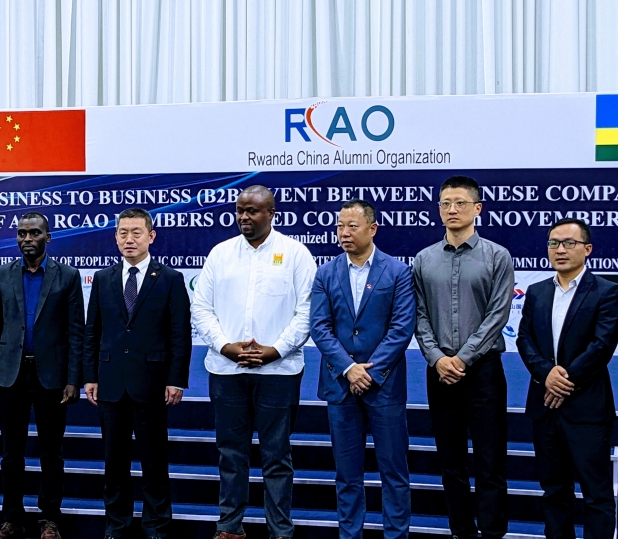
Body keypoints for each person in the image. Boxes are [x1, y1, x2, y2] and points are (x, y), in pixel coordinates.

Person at [190, 186, 316, 539]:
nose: (244, 217)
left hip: (279, 371)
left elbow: (307, 312)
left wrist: (275, 350)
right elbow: (201, 308)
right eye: (240, 210)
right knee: (231, 454)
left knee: (277, 456)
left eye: (253, 211)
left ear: (271, 212)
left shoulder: (295, 254)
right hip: (227, 370)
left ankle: (280, 530)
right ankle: (230, 526)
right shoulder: (220, 254)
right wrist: (225, 346)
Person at [412, 176, 514, 539]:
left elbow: (498, 314)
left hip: (483, 371)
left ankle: (492, 533)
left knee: (490, 461)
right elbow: (419, 315)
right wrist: (437, 358)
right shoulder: (423, 259)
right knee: (451, 461)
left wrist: (464, 358)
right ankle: (461, 532)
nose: (451, 210)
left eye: (459, 203)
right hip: (439, 373)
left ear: (477, 209)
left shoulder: (497, 255)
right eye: (444, 203)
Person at [309, 200, 415, 539]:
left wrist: (369, 371)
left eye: (352, 226)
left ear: (372, 229)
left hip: (384, 386)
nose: (343, 233)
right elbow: (320, 327)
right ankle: (349, 534)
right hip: (340, 388)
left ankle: (396, 535)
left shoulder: (398, 272)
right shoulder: (325, 273)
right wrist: (348, 369)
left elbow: (402, 328)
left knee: (394, 473)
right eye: (340, 226)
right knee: (347, 475)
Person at [83, 207, 192, 539]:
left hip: (153, 383)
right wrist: (91, 375)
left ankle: (156, 524)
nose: (129, 239)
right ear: (115, 237)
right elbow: (92, 332)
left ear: (151, 236)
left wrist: (176, 379)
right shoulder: (103, 278)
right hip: (111, 382)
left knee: (154, 461)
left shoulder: (170, 279)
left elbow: (179, 334)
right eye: (123, 233)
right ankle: (116, 525)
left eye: (136, 232)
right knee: (114, 462)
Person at [516, 218, 618, 539]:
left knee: (597, 496)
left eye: (568, 243)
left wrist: (563, 381)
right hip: (545, 409)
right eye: (553, 243)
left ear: (587, 249)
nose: (560, 250)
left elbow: (602, 344)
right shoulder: (536, 292)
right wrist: (546, 374)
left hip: (587, 409)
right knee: (554, 493)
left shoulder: (606, 291)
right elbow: (524, 340)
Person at [0, 213, 85, 539]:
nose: (27, 239)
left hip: (52, 377)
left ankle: (49, 519)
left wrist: (73, 379)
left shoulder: (67, 276)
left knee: (51, 453)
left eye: (34, 233)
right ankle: (12, 519)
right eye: (22, 233)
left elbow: (75, 332)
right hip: (10, 374)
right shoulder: (1, 275)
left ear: (48, 237)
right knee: (11, 454)